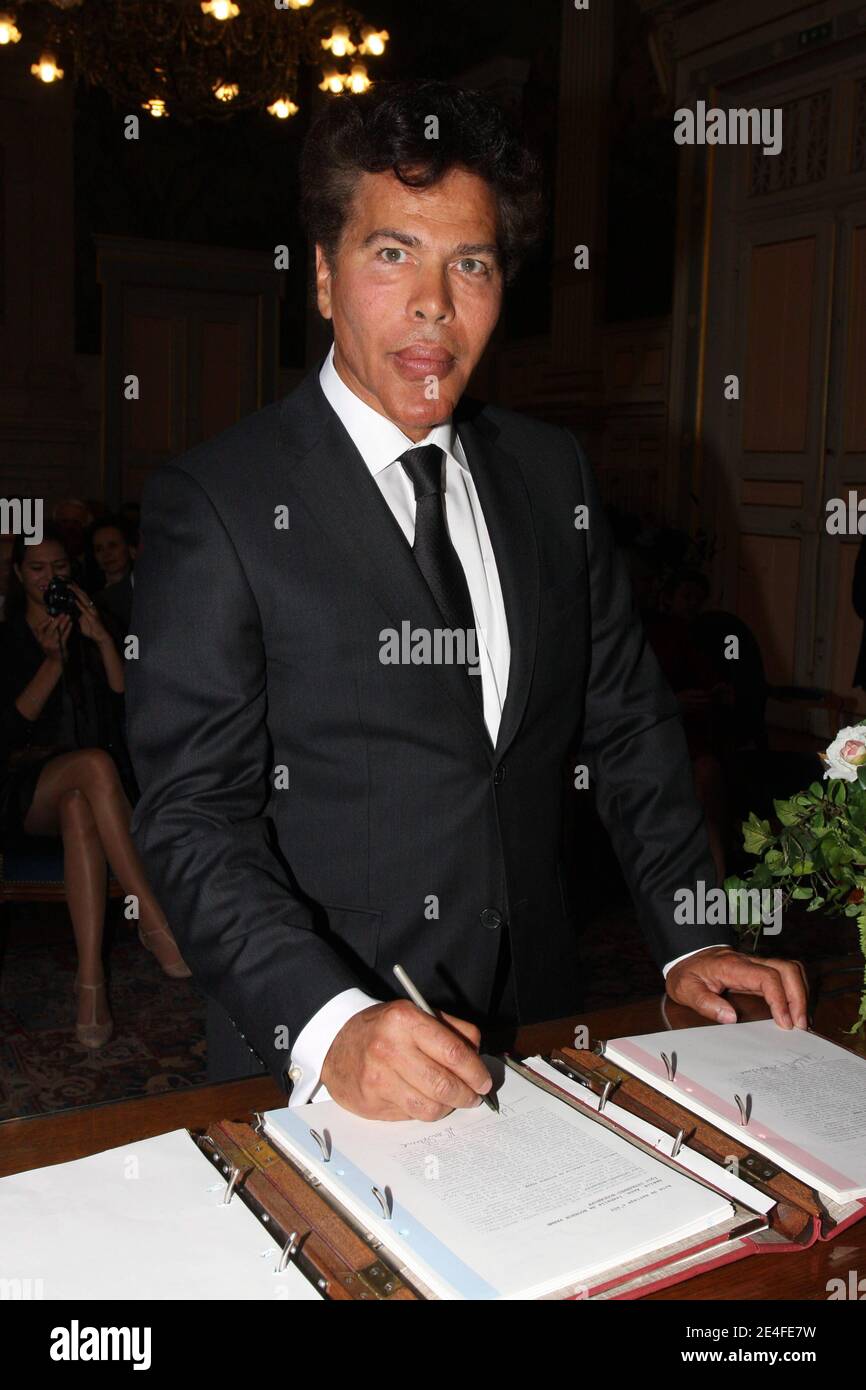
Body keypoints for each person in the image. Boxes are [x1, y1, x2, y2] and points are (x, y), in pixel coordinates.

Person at [126, 80, 807, 1123]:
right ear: (320, 275)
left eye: (471, 264)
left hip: (534, 1026)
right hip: (317, 1060)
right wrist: (326, 1022)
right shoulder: (216, 502)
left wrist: (689, 932)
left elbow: (624, 725)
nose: (433, 304)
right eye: (391, 253)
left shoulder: (550, 474)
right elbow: (192, 817)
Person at [0, 526, 190, 1050]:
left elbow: (129, 707)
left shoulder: (89, 627)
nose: (50, 579)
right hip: (21, 786)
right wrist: (52, 664)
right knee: (94, 769)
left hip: (81, 787)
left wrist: (102, 640)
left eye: (59, 567)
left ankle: (91, 986)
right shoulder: (9, 637)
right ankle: (153, 919)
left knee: (84, 798)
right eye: (37, 569)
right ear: (19, 575)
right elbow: (10, 731)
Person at [90, 515, 137, 637]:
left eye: (113, 545)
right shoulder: (94, 599)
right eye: (99, 549)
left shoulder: (144, 593)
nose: (106, 554)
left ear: (131, 550)